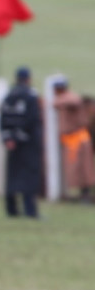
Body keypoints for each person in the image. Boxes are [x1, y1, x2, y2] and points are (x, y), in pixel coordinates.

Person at [0, 67, 43, 219]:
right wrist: (18, 136)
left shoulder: (8, 96)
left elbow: (3, 120)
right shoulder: (31, 96)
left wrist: (8, 138)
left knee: (12, 175)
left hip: (12, 144)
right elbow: (32, 119)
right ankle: (30, 211)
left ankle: (11, 209)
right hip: (28, 144)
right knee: (29, 176)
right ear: (28, 79)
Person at [51, 74, 94, 203]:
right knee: (75, 170)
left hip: (79, 139)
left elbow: (74, 100)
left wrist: (58, 100)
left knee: (84, 169)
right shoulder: (63, 100)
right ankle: (81, 194)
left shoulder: (69, 98)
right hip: (70, 140)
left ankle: (86, 195)